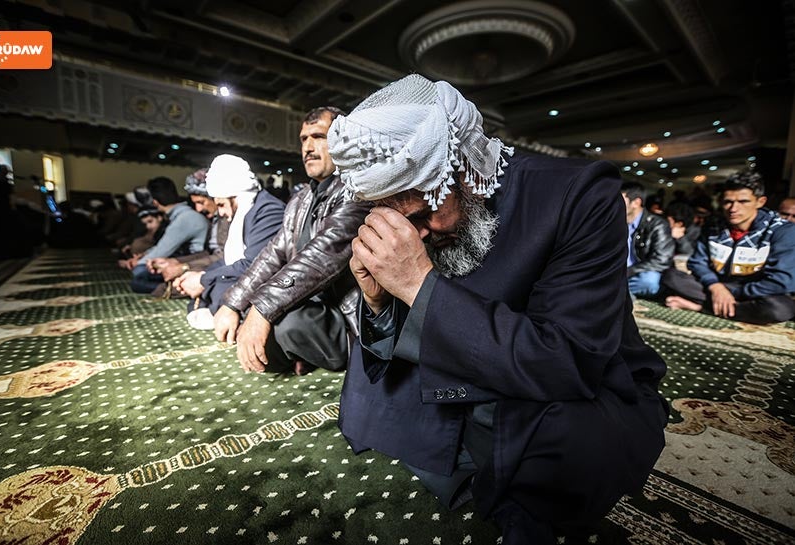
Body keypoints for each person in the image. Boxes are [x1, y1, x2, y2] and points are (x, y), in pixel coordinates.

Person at [328, 74, 668, 544]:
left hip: (557, 378)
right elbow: (405, 328)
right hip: (464, 363)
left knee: (576, 447)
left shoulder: (579, 194)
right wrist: (379, 300)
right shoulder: (424, 209)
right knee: (369, 391)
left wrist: (416, 283)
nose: (416, 235)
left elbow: (567, 359)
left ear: (465, 171)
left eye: (423, 215)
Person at [212, 107, 371, 375]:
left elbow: (320, 258)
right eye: (303, 139)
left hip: (348, 320)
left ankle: (310, 352)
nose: (308, 147)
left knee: (286, 322)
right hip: (312, 306)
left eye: (319, 137)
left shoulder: (358, 191)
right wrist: (233, 303)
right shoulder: (301, 199)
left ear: (344, 141)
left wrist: (262, 310)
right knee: (257, 314)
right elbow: (272, 256)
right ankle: (301, 352)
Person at [662, 171, 795, 324]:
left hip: (756, 291)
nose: (733, 209)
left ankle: (702, 307)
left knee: (780, 308)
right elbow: (697, 262)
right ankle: (733, 309)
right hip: (718, 285)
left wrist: (731, 292)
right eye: (728, 202)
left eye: (743, 202)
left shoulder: (782, 231)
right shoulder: (714, 225)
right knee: (671, 277)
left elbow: (781, 280)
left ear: (760, 202)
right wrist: (715, 287)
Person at [174, 154, 284, 329]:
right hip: (248, 276)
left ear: (235, 196)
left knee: (219, 289)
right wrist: (199, 274)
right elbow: (229, 260)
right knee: (212, 284)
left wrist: (203, 280)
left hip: (267, 282)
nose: (221, 213)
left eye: (221, 205)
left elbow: (253, 266)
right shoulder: (247, 209)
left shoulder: (269, 211)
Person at [147, 169, 229, 291]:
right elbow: (209, 253)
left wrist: (184, 267)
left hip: (220, 270)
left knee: (159, 286)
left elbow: (225, 257)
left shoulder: (228, 219)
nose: (198, 209)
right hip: (208, 265)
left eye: (201, 202)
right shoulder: (215, 219)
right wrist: (174, 261)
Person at [130, 176, 209, 294]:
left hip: (195, 263)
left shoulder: (185, 218)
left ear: (155, 202)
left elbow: (162, 251)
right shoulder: (181, 216)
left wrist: (136, 263)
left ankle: (173, 288)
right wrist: (144, 256)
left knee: (139, 272)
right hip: (188, 260)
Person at [621, 181, 674, 297]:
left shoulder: (657, 225)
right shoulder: (612, 221)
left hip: (639, 272)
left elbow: (661, 259)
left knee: (649, 282)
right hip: (616, 271)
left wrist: (630, 271)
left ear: (636, 203)